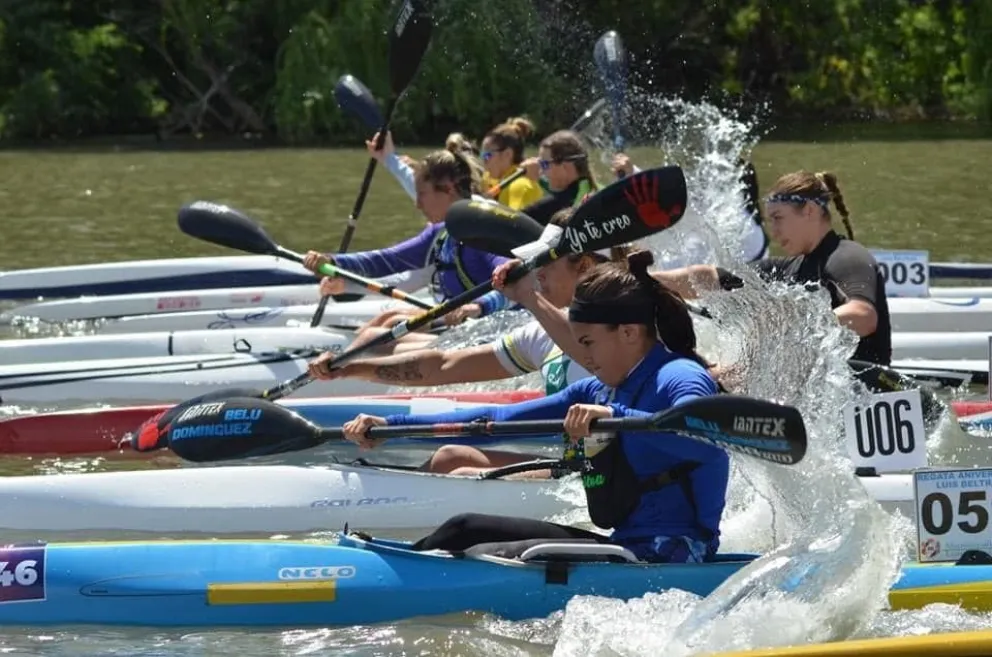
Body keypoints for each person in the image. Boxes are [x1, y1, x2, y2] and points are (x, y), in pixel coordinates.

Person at [340, 250, 729, 564]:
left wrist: (617, 419)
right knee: (465, 529)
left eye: (588, 343)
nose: (584, 356)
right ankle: (397, 563)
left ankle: (400, 574)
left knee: (464, 532)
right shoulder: (598, 391)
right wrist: (391, 427)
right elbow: (493, 421)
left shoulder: (679, 376)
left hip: (676, 555)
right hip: (628, 545)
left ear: (628, 333)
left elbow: (704, 436)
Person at [309, 208, 629, 475]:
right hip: (580, 468)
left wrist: (529, 297)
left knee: (456, 464)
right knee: (452, 457)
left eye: (545, 261)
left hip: (616, 480)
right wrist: (350, 367)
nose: (537, 271)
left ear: (585, 266)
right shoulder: (541, 335)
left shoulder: (629, 331)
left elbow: (591, 357)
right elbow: (444, 366)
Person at [652, 169, 891, 365]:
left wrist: (784, 320)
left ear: (809, 210)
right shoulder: (790, 268)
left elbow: (864, 316)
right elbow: (713, 279)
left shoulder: (847, 257)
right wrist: (648, 278)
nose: (773, 232)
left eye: (778, 218)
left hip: (865, 393)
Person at [302, 141, 512, 342]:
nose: (417, 205)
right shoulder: (441, 232)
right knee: (389, 318)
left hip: (495, 324)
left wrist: (480, 306)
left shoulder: (481, 230)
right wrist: (333, 262)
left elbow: (515, 278)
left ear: (448, 189)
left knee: (389, 325)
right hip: (464, 321)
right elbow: (388, 259)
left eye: (421, 195)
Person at [612, 154, 769, 264]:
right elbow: (680, 200)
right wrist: (633, 174)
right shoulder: (730, 209)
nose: (704, 184)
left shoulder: (739, 224)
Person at [519, 130, 599, 225]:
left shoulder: (557, 205)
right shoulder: (589, 187)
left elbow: (515, 222)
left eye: (544, 164)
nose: (541, 171)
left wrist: (531, 182)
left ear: (566, 167)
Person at [479, 117, 544, 210]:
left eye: (487, 155)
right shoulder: (487, 180)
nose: (483, 160)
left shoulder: (521, 186)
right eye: (482, 154)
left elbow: (515, 224)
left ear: (507, 154)